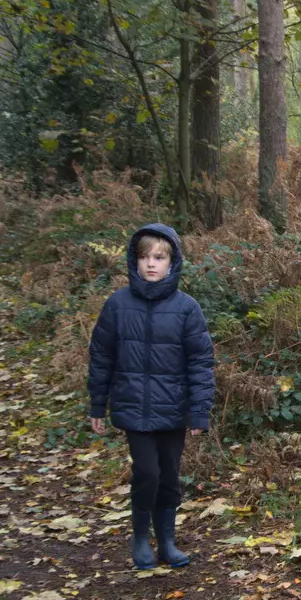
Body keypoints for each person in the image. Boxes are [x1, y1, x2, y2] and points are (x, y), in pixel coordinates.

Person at [87, 224, 215, 569]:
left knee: (169, 477)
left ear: (172, 263)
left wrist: (199, 411)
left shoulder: (187, 308)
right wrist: (98, 403)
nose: (151, 264)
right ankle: (141, 538)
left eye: (159, 257)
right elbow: (101, 357)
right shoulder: (117, 304)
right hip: (134, 408)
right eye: (144, 257)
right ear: (134, 261)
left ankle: (168, 541)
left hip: (173, 409)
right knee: (148, 473)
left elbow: (201, 362)